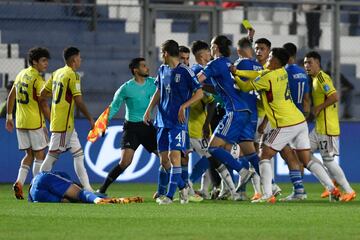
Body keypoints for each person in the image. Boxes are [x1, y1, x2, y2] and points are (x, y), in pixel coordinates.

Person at [233, 47, 340, 203]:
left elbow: (245, 87)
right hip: (299, 121)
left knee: (264, 156)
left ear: (275, 61)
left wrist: (234, 76)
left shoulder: (267, 76)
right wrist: (238, 71)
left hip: (285, 124)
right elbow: (257, 73)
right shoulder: (281, 72)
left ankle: (268, 194)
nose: (267, 59)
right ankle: (332, 188)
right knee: (306, 159)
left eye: (270, 57)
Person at [196, 35, 262, 201]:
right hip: (243, 110)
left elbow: (197, 80)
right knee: (238, 150)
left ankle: (242, 172)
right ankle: (268, 185)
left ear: (216, 47)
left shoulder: (215, 64)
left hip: (234, 111)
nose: (210, 49)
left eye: (212, 46)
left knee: (213, 148)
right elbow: (219, 88)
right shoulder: (228, 64)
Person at [143, 39, 203, 205]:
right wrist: (149, 110)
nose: (161, 56)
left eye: (162, 53)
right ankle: (183, 187)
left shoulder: (186, 72)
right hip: (162, 121)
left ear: (166, 53)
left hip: (178, 122)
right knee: (164, 161)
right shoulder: (162, 69)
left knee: (174, 157)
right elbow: (158, 91)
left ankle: (169, 197)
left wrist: (184, 106)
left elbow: (200, 94)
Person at [96, 58, 157, 195]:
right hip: (132, 129)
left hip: (148, 128)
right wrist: (103, 122)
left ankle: (165, 191)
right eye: (143, 66)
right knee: (124, 162)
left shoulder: (154, 83)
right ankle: (102, 189)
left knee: (166, 159)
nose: (147, 68)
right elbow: (114, 107)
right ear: (136, 70)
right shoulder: (126, 88)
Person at [39, 46, 94, 192]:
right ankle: (37, 185)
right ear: (74, 59)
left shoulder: (57, 73)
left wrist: (58, 97)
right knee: (52, 156)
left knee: (78, 155)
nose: (81, 60)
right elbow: (79, 101)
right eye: (80, 57)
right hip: (63, 124)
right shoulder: (73, 75)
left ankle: (88, 188)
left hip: (64, 123)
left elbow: (42, 93)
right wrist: (90, 118)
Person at [304, 51, 356, 202]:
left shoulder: (321, 77)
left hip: (327, 127)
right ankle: (330, 184)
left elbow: (334, 97)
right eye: (305, 63)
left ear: (318, 63)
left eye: (310, 62)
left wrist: (319, 107)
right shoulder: (314, 79)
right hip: (318, 128)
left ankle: (348, 190)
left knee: (328, 160)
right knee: (303, 153)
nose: (307, 66)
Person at [5, 47, 51, 200]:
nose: (46, 64)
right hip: (34, 122)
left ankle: (19, 182)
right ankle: (35, 186)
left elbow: (11, 95)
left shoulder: (21, 74)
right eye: (43, 61)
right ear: (34, 62)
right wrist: (52, 122)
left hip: (20, 122)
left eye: (47, 61)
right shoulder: (37, 79)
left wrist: (9, 116)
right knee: (39, 154)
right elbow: (43, 104)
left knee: (28, 154)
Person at [29, 171, 143, 204]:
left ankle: (96, 199)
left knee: (68, 200)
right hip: (42, 178)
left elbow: (65, 200)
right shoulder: (62, 177)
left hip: (34, 196)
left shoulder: (35, 193)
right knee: (80, 194)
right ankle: (97, 200)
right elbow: (77, 192)